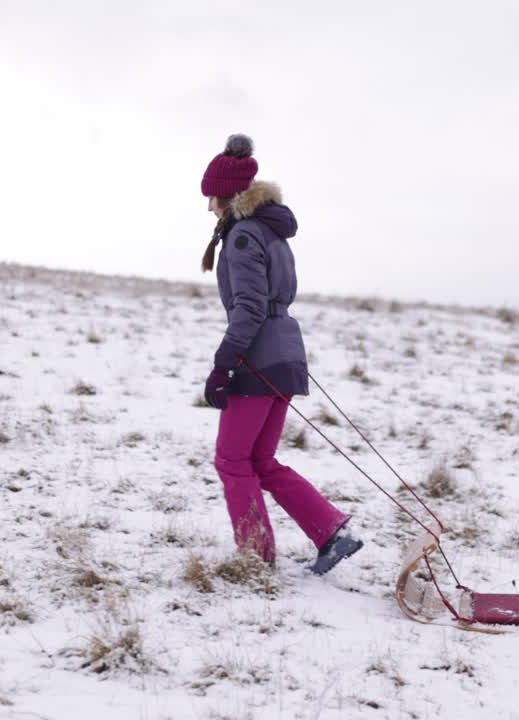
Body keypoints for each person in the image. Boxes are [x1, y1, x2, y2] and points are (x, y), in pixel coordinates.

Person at [199, 133, 362, 575]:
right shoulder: (269, 232)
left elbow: (250, 309)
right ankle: (332, 531)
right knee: (259, 461)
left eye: (211, 197)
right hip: (284, 355)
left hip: (259, 359)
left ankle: (255, 556)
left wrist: (223, 365)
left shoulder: (243, 238)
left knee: (233, 460)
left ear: (226, 195)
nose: (208, 207)